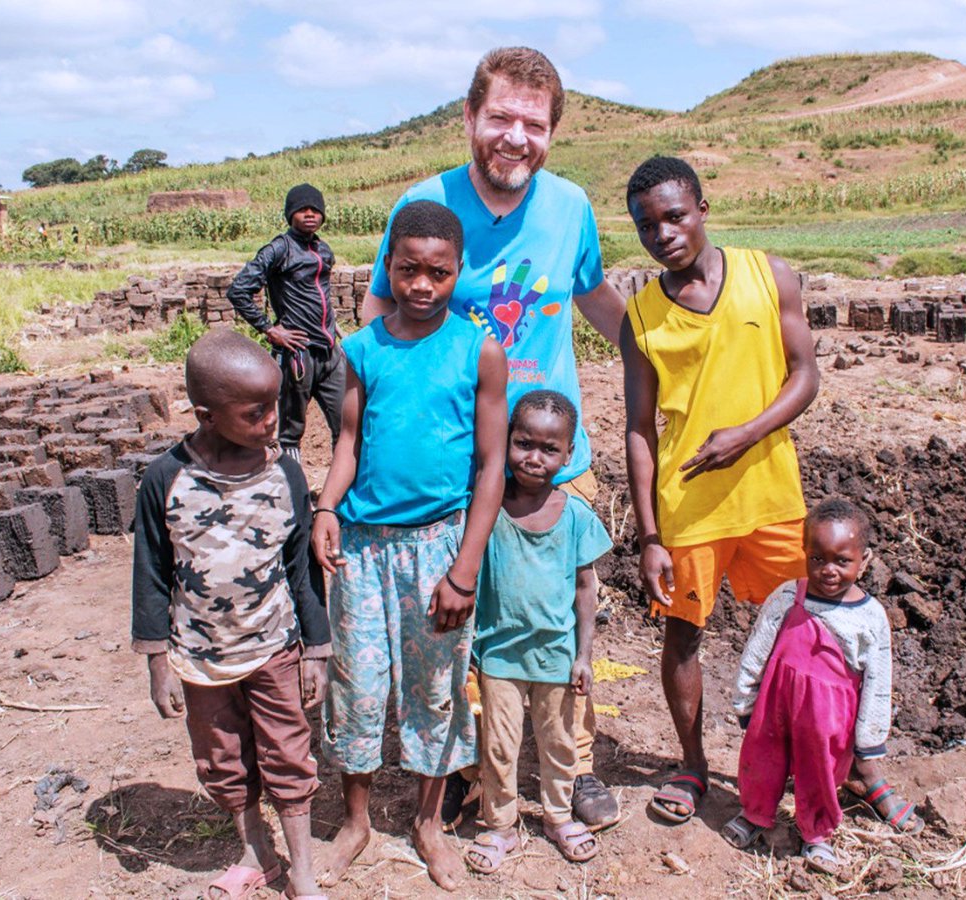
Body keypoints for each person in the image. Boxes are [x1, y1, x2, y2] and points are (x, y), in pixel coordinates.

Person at [361, 45, 627, 832]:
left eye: (534, 124)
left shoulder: (570, 206)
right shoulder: (424, 204)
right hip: (459, 461)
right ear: (469, 116)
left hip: (554, 459)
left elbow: (595, 298)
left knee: (559, 614)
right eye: (502, 117)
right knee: (465, 619)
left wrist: (663, 357)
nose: (517, 137)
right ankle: (471, 767)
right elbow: (379, 315)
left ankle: (572, 764)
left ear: (553, 133)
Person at [310, 200, 508, 892]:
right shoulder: (363, 348)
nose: (422, 285)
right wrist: (327, 506)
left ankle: (428, 822)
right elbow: (348, 441)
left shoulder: (479, 351)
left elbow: (491, 466)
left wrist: (465, 567)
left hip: (438, 548)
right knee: (358, 687)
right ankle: (355, 821)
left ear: (459, 270)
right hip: (363, 550)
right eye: (408, 270)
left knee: (435, 687)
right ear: (388, 266)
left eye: (438, 273)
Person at [621, 155, 820, 824]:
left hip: (772, 495)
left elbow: (805, 375)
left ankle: (812, 755)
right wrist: (650, 536)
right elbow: (639, 430)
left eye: (675, 216)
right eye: (647, 225)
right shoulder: (641, 317)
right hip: (690, 506)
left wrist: (747, 432)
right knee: (683, 636)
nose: (663, 233)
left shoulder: (770, 276)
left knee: (804, 630)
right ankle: (692, 765)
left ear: (702, 210)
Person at [131, 328, 329, 900]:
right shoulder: (166, 479)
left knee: (289, 753)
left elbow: (300, 568)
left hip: (274, 646)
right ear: (206, 416)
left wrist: (317, 650)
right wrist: (158, 662)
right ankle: (256, 852)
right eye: (254, 413)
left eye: (275, 405)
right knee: (222, 760)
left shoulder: (285, 473)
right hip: (199, 657)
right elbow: (150, 573)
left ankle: (302, 872)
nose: (272, 421)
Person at [723, 498, 924, 874]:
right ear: (804, 552)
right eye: (817, 559)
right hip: (775, 709)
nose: (828, 570)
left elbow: (878, 680)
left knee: (821, 776)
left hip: (828, 723)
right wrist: (745, 701)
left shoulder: (870, 617)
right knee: (761, 765)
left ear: (864, 560)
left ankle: (817, 834)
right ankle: (755, 814)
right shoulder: (788, 596)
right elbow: (757, 650)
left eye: (842, 561)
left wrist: (868, 738)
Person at [465, 390, 612, 874]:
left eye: (550, 449)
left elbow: (586, 589)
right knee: (499, 746)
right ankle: (500, 824)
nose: (534, 458)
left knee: (560, 742)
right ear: (507, 440)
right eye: (524, 443)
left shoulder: (575, 517)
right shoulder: (487, 508)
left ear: (569, 455)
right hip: (499, 655)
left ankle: (558, 816)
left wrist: (584, 655)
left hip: (556, 656)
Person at [228, 183, 344, 460]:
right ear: (290, 214)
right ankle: (293, 483)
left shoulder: (323, 250)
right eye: (302, 209)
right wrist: (269, 329)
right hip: (298, 354)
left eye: (315, 209)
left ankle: (346, 485)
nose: (310, 214)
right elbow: (239, 290)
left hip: (329, 352)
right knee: (291, 432)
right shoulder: (279, 249)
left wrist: (333, 326)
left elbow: (320, 294)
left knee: (347, 422)